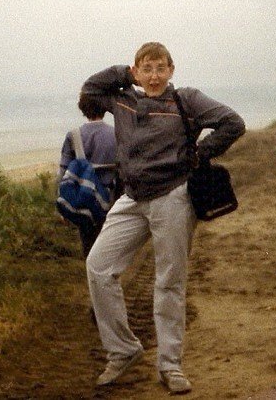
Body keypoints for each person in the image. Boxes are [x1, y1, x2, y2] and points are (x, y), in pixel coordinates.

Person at [82, 42, 245, 394]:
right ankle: (123, 350)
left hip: (173, 197)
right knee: (98, 267)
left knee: (169, 282)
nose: (154, 76)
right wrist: (125, 74)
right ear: (136, 72)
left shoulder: (186, 100)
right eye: (146, 69)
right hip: (132, 198)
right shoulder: (123, 98)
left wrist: (198, 154)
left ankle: (170, 365)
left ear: (171, 70)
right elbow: (90, 90)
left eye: (160, 68)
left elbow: (233, 123)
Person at [58, 95, 118, 258]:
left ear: (82, 110)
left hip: (83, 198)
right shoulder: (116, 134)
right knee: (108, 244)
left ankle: (92, 277)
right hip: (110, 198)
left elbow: (64, 170)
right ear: (105, 110)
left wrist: (63, 204)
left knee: (88, 243)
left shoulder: (74, 135)